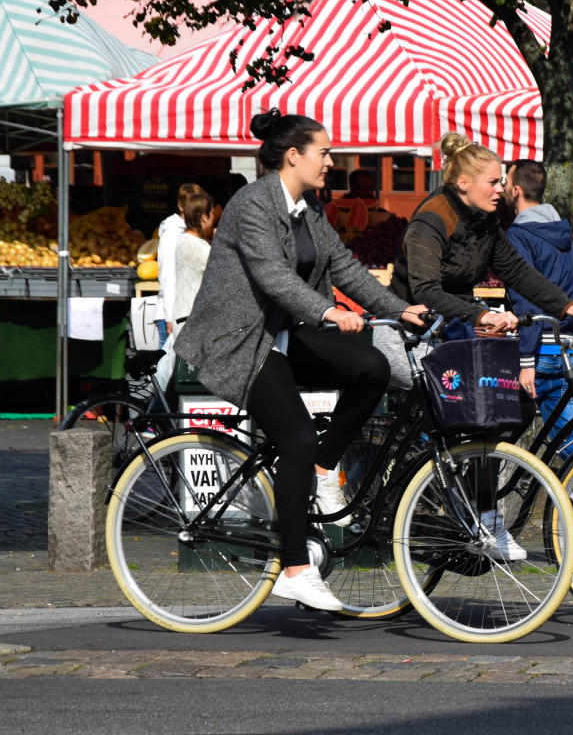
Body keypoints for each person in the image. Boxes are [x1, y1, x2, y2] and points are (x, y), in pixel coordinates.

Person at [173, 109, 427, 613]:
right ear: (294, 155)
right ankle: (293, 567)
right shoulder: (252, 204)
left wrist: (400, 310)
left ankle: (321, 468)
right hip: (242, 339)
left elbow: (344, 267)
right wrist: (328, 311)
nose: (331, 161)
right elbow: (272, 275)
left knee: (372, 368)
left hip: (286, 331)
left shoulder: (308, 207)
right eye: (324, 152)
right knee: (296, 435)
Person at [390, 133, 573, 558]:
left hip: (456, 326)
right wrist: (479, 315)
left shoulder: (486, 223)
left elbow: (519, 273)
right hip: (415, 329)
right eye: (493, 182)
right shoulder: (432, 218)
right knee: (472, 415)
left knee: (507, 409)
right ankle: (465, 508)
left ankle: (481, 512)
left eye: (503, 181)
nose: (502, 188)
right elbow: (425, 289)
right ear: (463, 183)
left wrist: (568, 306)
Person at [502, 160, 573, 453]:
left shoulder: (518, 236)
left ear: (515, 190)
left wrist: (526, 360)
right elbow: (572, 288)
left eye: (503, 183)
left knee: (492, 436)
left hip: (538, 351)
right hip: (564, 348)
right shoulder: (561, 232)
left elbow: (525, 300)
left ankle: (481, 494)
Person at [154, 183, 209, 348]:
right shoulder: (172, 234)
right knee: (170, 370)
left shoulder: (191, 234)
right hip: (172, 316)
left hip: (184, 315)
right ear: (180, 206)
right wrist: (170, 317)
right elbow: (168, 277)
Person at [172, 191, 218, 325]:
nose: (214, 219)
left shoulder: (186, 240)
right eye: (212, 214)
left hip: (188, 317)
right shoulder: (194, 247)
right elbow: (222, 265)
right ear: (204, 216)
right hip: (190, 320)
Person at [326, 166, 390, 236]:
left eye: (371, 188)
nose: (370, 192)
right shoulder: (339, 212)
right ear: (353, 190)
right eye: (365, 189)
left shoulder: (380, 212)